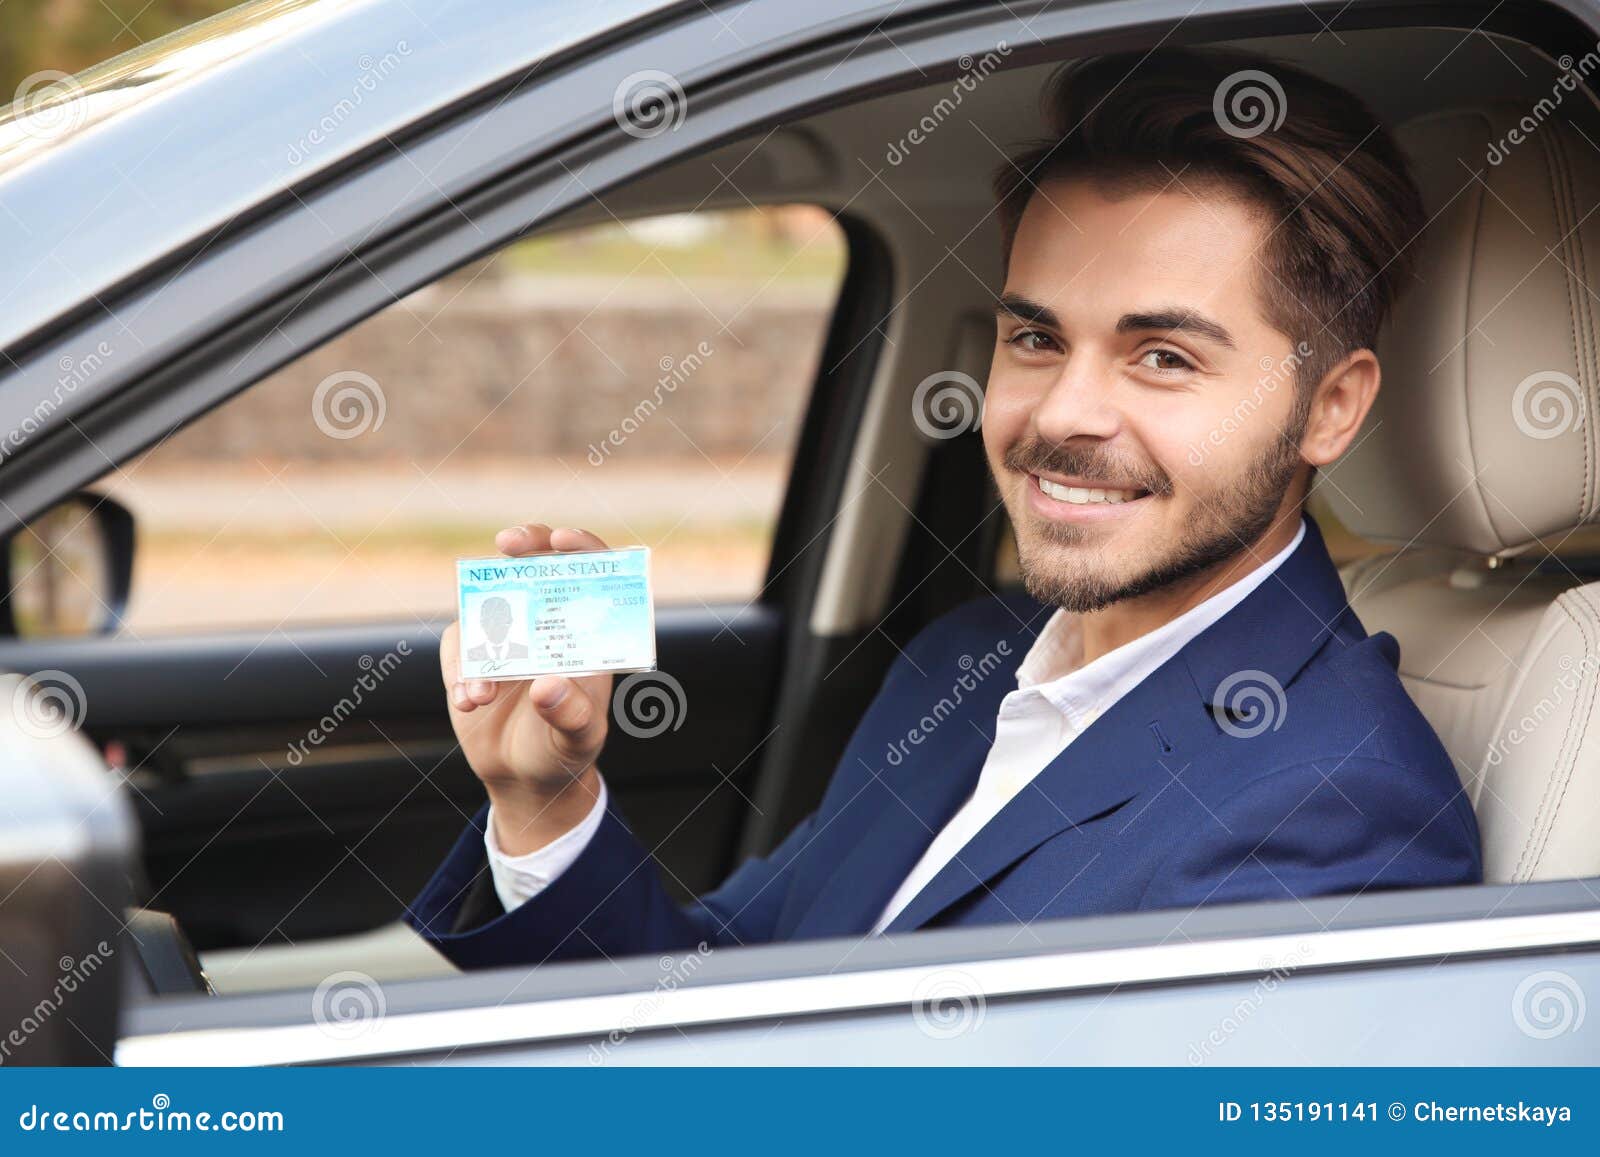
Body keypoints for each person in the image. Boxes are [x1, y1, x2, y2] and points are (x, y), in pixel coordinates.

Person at [407, 47, 1481, 970]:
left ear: (1328, 408)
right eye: (1035, 338)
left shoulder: (1336, 812)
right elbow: (721, 1002)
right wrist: (544, 805)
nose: (1061, 413)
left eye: (1162, 355)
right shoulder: (963, 655)